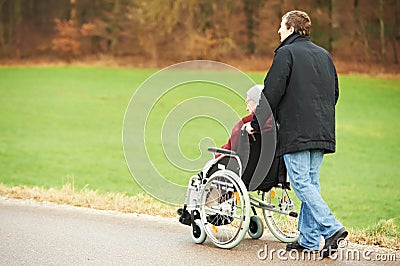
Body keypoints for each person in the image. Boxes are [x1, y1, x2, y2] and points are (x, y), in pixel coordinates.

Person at [245, 10, 347, 258]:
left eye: (281, 26)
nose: (278, 31)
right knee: (310, 183)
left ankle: (332, 228)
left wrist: (255, 124)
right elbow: (334, 93)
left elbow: (270, 94)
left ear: (291, 28)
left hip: (297, 130)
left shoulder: (285, 53)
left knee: (301, 182)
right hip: (322, 129)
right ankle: (310, 240)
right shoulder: (324, 55)